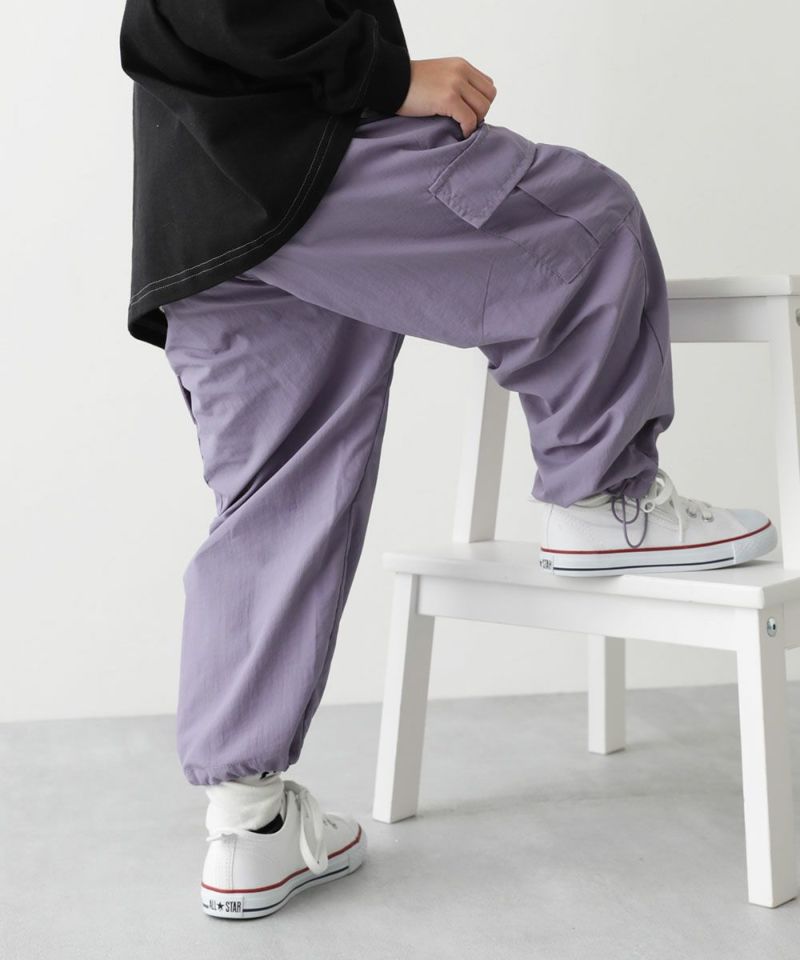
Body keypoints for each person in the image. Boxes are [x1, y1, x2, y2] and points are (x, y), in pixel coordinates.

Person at [118, 0, 778, 920]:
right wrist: (387, 79)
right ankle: (603, 497)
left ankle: (248, 826)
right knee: (587, 221)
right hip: (302, 163)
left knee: (277, 498)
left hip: (204, 208)